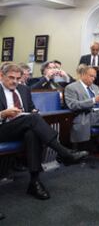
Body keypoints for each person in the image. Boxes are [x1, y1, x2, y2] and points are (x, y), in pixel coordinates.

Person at [0, 63, 88, 200]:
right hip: (3, 128)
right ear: (1, 75)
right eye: (11, 78)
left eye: (17, 78)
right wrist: (3, 114)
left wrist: (34, 111)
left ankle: (34, 181)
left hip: (22, 126)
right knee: (33, 120)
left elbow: (31, 109)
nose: (15, 82)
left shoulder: (23, 89)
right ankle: (64, 153)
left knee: (32, 133)